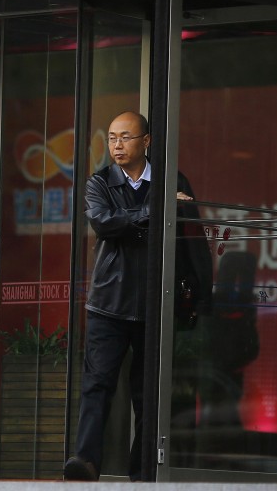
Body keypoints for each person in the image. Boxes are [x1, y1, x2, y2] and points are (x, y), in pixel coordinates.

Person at [63, 110, 208, 482]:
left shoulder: (172, 179)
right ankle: (87, 461)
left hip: (154, 305)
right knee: (97, 385)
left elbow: (193, 241)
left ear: (146, 142)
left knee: (148, 395)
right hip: (108, 305)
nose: (116, 145)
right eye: (112, 137)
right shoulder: (100, 183)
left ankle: (141, 470)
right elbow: (103, 223)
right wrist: (155, 211)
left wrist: (198, 295)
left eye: (125, 137)